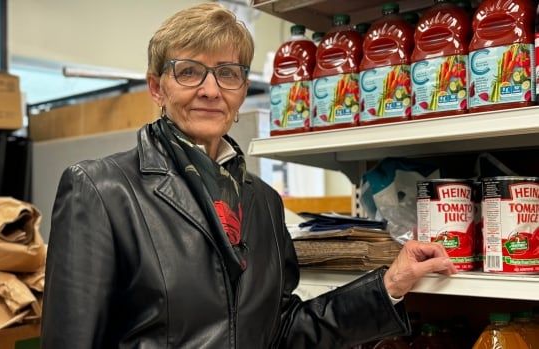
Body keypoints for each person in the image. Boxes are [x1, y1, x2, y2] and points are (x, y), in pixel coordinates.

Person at [40, 3, 457, 348]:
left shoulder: (261, 201)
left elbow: (284, 331)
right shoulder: (100, 189)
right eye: (188, 71)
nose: (210, 89)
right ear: (156, 88)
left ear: (241, 91)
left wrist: (389, 285)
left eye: (227, 73)